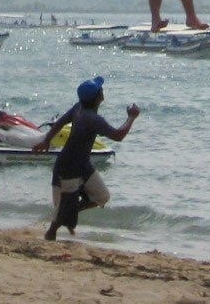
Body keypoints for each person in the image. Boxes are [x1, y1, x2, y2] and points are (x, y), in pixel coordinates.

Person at [32, 76, 139, 240]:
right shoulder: (92, 119)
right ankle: (51, 234)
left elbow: (60, 122)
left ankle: (71, 212)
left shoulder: (79, 108)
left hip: (82, 164)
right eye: (100, 89)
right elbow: (118, 135)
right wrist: (131, 117)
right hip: (68, 167)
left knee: (102, 196)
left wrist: (47, 140)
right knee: (61, 210)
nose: (102, 90)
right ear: (97, 97)